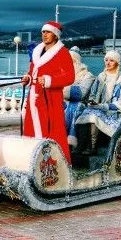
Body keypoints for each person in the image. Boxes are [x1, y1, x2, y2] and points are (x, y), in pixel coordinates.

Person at [21, 21, 75, 163]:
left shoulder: (63, 52)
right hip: (34, 97)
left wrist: (49, 80)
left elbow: (70, 77)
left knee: (53, 130)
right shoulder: (37, 52)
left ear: (56, 35)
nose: (44, 35)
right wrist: (28, 77)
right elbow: (33, 71)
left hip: (51, 99)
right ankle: (32, 160)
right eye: (43, 32)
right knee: (31, 128)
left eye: (48, 32)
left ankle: (56, 162)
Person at [74, 50, 121, 155]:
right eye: (106, 60)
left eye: (111, 60)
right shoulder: (100, 77)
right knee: (83, 113)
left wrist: (103, 106)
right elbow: (93, 95)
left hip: (112, 112)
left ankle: (93, 147)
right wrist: (93, 102)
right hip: (98, 108)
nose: (108, 63)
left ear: (117, 63)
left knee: (93, 116)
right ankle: (81, 145)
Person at [63, 46, 95, 150]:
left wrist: (60, 89)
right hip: (63, 101)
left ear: (77, 61)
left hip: (80, 104)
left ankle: (70, 144)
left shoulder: (87, 75)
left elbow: (80, 93)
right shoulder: (62, 74)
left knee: (74, 108)